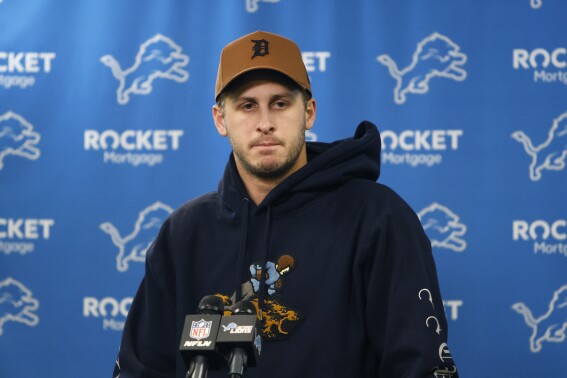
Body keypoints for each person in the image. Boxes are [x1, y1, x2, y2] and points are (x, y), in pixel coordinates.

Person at [113, 30, 458, 378]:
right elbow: (139, 370)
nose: (265, 123)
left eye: (280, 103)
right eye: (247, 105)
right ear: (220, 119)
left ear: (308, 112)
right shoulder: (183, 234)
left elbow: (418, 366)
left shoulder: (378, 219)